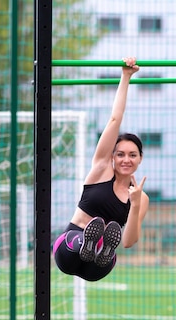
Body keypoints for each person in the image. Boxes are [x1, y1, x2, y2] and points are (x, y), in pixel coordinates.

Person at [52, 56, 150, 282]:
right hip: (69, 248)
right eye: (121, 154)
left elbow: (128, 242)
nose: (126, 159)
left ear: (140, 159)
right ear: (113, 157)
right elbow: (115, 119)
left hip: (99, 268)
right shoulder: (101, 170)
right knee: (78, 241)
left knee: (108, 255)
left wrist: (134, 205)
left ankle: (101, 248)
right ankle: (89, 242)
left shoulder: (141, 198)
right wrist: (126, 76)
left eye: (132, 155)